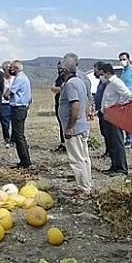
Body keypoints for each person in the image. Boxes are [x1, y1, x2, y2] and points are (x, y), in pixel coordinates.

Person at [57, 57, 92, 196]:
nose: (58, 71)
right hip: (82, 126)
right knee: (84, 157)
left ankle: (83, 188)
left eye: (60, 68)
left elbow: (75, 105)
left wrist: (70, 127)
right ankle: (87, 184)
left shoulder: (71, 84)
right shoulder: (79, 81)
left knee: (77, 159)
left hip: (75, 129)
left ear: (64, 70)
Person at [99, 62, 132, 174]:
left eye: (102, 74)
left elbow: (128, 95)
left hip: (114, 116)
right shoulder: (109, 83)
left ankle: (121, 168)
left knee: (117, 142)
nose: (101, 77)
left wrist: (117, 106)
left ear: (108, 73)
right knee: (111, 143)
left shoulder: (116, 82)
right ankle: (114, 166)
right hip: (107, 116)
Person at [4, 60, 32, 168]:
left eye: (11, 68)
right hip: (22, 107)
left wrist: (5, 95)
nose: (9, 70)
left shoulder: (19, 78)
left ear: (16, 68)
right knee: (19, 135)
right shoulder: (24, 78)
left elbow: (10, 92)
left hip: (18, 108)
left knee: (18, 135)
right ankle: (25, 159)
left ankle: (24, 161)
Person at [93, 61, 109, 158]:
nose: (94, 72)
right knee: (104, 132)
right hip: (101, 110)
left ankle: (110, 152)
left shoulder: (106, 82)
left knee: (107, 132)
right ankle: (108, 151)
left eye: (95, 70)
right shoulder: (101, 81)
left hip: (106, 111)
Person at [49, 61, 66, 152]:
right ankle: (63, 144)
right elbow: (53, 87)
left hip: (65, 105)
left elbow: (61, 88)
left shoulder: (68, 78)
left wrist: (57, 89)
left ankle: (67, 145)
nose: (59, 70)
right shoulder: (59, 78)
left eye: (61, 68)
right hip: (58, 103)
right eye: (58, 68)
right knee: (61, 125)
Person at [0, 60, 14, 148]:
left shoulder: (15, 79)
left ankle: (13, 139)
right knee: (5, 123)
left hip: (13, 103)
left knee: (15, 123)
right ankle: (7, 139)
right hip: (3, 103)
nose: (9, 70)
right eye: (7, 69)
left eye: (10, 68)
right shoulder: (0, 79)